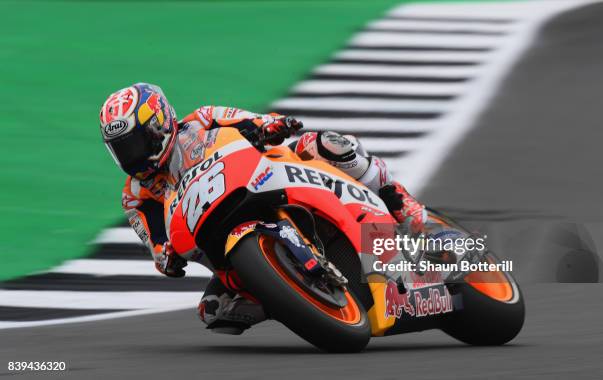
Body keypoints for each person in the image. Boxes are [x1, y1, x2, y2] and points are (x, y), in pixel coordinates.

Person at [100, 83, 427, 334]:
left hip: (257, 178)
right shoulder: (135, 194)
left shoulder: (201, 119)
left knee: (321, 144)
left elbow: (250, 120)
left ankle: (393, 196)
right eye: (121, 151)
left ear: (158, 125)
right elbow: (154, 241)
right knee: (212, 310)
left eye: (135, 144)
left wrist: (273, 126)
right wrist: (165, 256)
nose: (132, 157)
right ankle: (292, 294)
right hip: (215, 233)